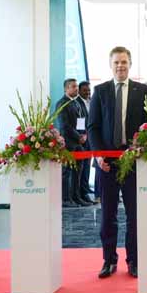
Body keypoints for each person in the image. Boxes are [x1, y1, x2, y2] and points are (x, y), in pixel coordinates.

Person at [87, 46, 147, 279]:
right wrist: (98, 156)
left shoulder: (143, 91)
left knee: (134, 215)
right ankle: (109, 260)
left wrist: (138, 150)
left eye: (124, 62)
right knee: (108, 215)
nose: (120, 66)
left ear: (130, 64)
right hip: (106, 164)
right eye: (116, 62)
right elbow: (93, 127)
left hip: (133, 162)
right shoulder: (100, 91)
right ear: (111, 65)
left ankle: (133, 260)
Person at [55, 78, 91, 207]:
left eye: (76, 86)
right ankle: (65, 199)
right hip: (68, 143)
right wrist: (78, 136)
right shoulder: (61, 103)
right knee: (66, 172)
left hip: (79, 143)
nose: (76, 89)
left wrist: (84, 134)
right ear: (66, 89)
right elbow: (64, 125)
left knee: (78, 172)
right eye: (74, 86)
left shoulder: (76, 103)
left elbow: (82, 121)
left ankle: (76, 197)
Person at [77, 81, 97, 204]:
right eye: (85, 90)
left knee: (87, 167)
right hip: (82, 139)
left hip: (90, 139)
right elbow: (80, 121)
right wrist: (82, 135)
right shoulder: (77, 103)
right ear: (79, 91)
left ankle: (85, 188)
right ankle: (82, 192)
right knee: (82, 168)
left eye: (89, 90)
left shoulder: (90, 102)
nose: (88, 92)